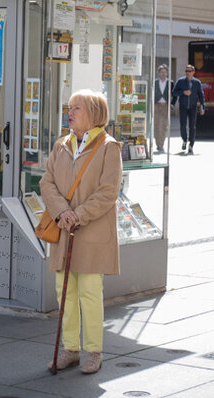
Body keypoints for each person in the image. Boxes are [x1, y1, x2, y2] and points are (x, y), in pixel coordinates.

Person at [40, 89, 123, 375]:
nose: (70, 113)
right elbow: (46, 183)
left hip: (91, 231)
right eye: (69, 107)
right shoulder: (61, 144)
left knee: (89, 291)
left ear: (94, 114)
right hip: (65, 229)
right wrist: (63, 212)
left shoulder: (108, 147)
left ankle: (94, 352)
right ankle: (70, 349)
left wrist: (79, 215)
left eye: (76, 108)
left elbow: (108, 191)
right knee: (64, 291)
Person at [172, 64, 206, 154]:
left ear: (193, 72)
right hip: (183, 106)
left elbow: (201, 95)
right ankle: (184, 140)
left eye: (189, 71)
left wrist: (202, 106)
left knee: (192, 127)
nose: (187, 73)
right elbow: (174, 93)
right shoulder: (180, 81)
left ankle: (191, 145)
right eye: (186, 71)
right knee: (183, 125)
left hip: (193, 107)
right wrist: (183, 92)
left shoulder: (197, 82)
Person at [153, 65, 173, 153]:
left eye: (165, 72)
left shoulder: (170, 82)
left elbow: (174, 94)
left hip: (166, 105)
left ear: (167, 73)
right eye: (161, 72)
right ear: (158, 73)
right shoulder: (155, 82)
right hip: (157, 105)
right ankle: (158, 144)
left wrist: (172, 104)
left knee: (164, 125)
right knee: (157, 125)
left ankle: (162, 144)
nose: (163, 74)